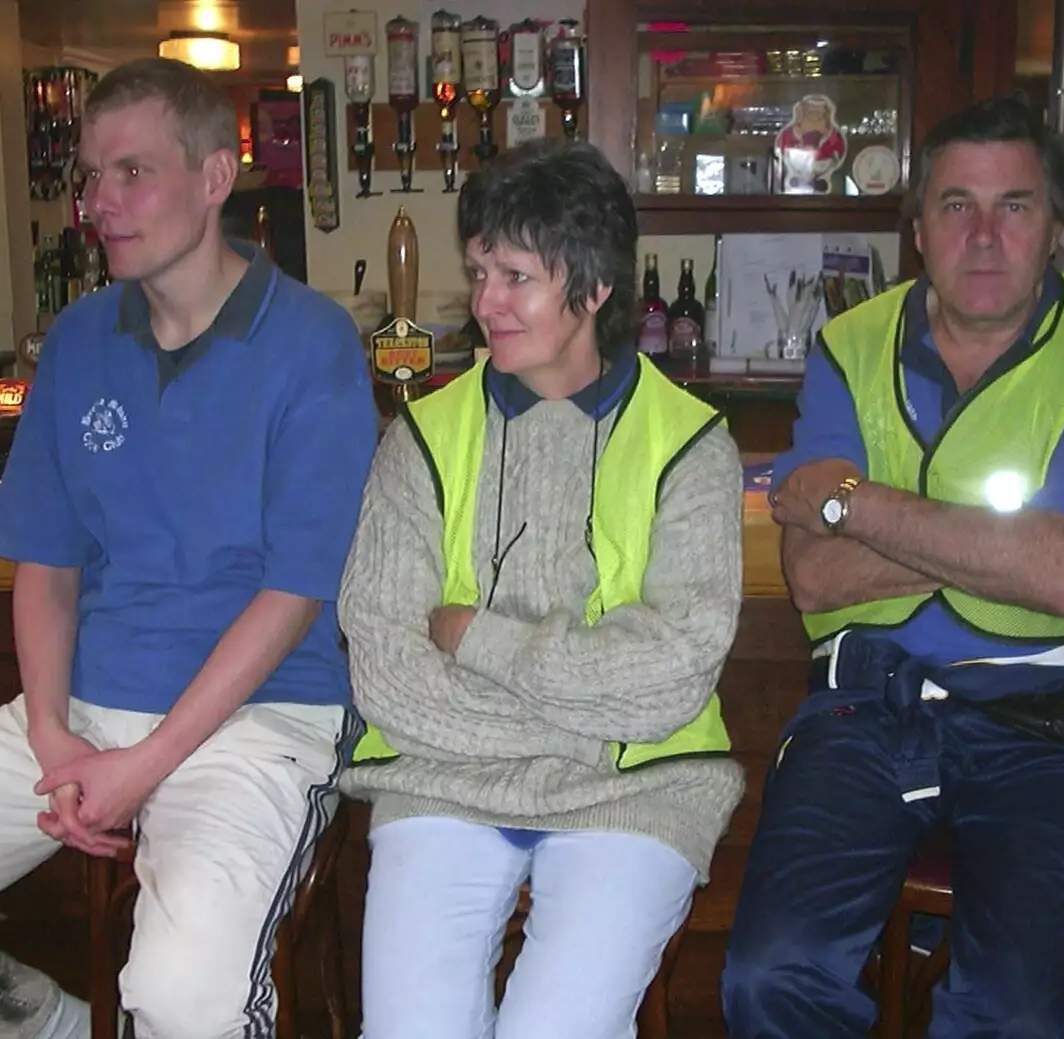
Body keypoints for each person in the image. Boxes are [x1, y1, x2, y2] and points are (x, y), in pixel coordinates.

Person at [0, 57, 378, 1039]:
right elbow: (45, 561)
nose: (99, 202)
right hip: (83, 709)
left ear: (215, 179)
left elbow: (294, 592)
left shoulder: (313, 343)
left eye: (132, 172)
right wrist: (51, 727)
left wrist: (149, 762)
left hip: (260, 720)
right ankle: (52, 1029)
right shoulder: (80, 339)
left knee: (183, 1000)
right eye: (89, 175)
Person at [722, 95, 1064, 1039]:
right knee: (768, 976)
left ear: (1056, 224)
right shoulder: (848, 348)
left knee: (1011, 1010)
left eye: (1014, 206)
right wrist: (1001, 546)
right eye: (955, 206)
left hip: (1055, 716)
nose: (984, 236)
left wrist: (856, 504)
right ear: (917, 226)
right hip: (867, 705)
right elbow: (814, 579)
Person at [337, 137, 745, 1039]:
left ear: (594, 289)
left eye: (515, 276)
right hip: (446, 779)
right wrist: (578, 721)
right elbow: (385, 664)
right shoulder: (422, 437)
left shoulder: (691, 444)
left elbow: (672, 673)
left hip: (638, 789)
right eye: (479, 271)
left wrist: (478, 640)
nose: (485, 303)